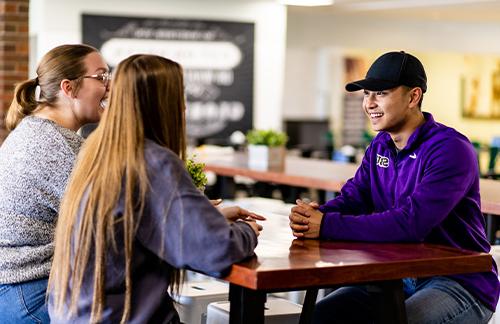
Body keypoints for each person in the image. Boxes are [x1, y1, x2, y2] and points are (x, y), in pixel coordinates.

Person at [48, 54, 263, 324]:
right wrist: (247, 231)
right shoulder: (151, 161)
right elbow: (218, 250)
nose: (183, 108)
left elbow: (141, 224)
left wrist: (212, 218)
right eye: (179, 97)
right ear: (163, 104)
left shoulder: (97, 152)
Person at [289, 51, 500, 324]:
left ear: (413, 97)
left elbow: (411, 224)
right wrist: (314, 216)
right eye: (367, 93)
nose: (369, 103)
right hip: (397, 274)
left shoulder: (450, 149)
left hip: (458, 282)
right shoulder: (381, 144)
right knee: (322, 316)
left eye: (381, 93)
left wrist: (327, 225)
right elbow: (356, 196)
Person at [0, 44, 109, 323]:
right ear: (68, 88)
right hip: (31, 295)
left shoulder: (38, 131)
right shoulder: (55, 146)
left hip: (19, 289)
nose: (109, 88)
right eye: (101, 77)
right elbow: (111, 222)